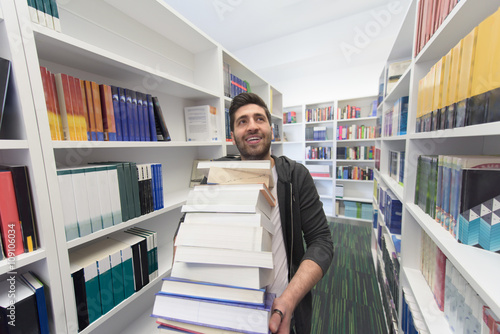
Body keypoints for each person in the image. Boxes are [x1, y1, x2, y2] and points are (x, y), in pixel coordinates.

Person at [225, 92, 334, 334]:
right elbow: (185, 237)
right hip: (231, 309)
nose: (252, 126)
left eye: (259, 119)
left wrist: (289, 299)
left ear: (271, 129)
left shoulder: (296, 176)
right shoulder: (217, 177)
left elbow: (322, 242)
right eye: (242, 121)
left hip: (283, 308)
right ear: (233, 135)